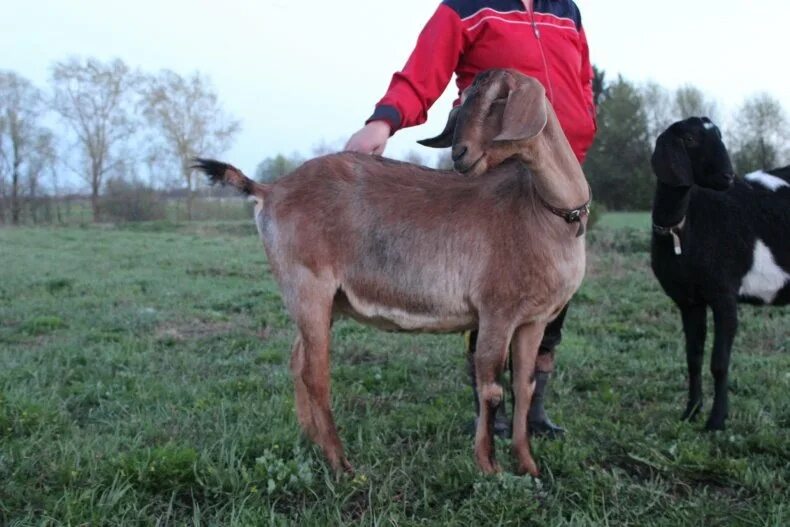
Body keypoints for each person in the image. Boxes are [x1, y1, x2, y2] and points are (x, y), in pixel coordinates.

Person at [345, 0, 596, 437]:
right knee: (494, 300)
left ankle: (534, 411)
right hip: (498, 175)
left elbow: (582, 79)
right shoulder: (465, 6)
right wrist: (383, 123)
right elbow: (422, 72)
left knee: (552, 296)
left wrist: (582, 127)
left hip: (562, 172)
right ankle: (492, 414)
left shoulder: (567, 10)